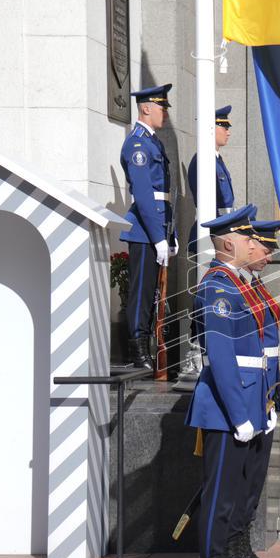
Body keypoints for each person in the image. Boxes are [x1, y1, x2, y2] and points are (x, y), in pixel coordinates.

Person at [186, 205, 272, 558]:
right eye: (249, 239)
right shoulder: (218, 288)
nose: (255, 245)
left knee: (234, 497)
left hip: (244, 403)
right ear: (229, 242)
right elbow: (222, 359)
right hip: (224, 408)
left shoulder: (236, 285)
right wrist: (240, 415)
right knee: (219, 500)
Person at [226, 219, 280, 558]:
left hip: (260, 398)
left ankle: (242, 555)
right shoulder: (225, 286)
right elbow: (223, 357)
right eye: (265, 249)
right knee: (230, 494)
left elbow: (268, 347)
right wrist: (240, 412)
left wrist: (272, 395)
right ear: (246, 245)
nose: (268, 256)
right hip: (243, 402)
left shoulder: (255, 286)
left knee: (250, 489)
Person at [119, 84, 177, 369]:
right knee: (142, 293)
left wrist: (170, 234)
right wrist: (157, 238)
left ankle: (148, 348)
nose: (165, 112)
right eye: (161, 106)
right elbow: (143, 195)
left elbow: (164, 195)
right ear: (145, 108)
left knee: (154, 293)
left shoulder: (154, 142)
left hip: (156, 229)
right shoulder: (138, 144)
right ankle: (137, 349)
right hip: (144, 231)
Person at [187, 105, 236, 256]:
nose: (228, 132)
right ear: (211, 128)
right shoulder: (203, 160)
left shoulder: (217, 160)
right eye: (224, 127)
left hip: (222, 232)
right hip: (210, 235)